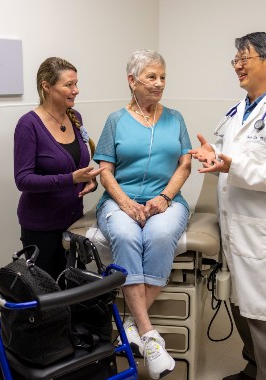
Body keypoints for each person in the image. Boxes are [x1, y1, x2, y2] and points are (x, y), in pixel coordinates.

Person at [190, 32, 266, 380]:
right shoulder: (241, 108)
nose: (238, 66)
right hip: (234, 226)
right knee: (239, 304)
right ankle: (253, 368)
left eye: (245, 58)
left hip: (262, 231)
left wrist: (233, 167)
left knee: (264, 313)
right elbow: (232, 150)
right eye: (236, 60)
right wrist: (212, 153)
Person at [93, 49, 192, 380]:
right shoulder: (116, 121)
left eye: (163, 77)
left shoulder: (175, 118)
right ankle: (151, 338)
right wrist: (124, 202)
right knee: (125, 234)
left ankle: (132, 326)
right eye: (152, 77)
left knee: (160, 234)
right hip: (122, 199)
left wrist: (165, 197)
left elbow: (185, 163)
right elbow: (105, 170)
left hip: (166, 200)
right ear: (132, 81)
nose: (159, 83)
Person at [13, 57, 103, 280]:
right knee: (50, 299)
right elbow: (23, 180)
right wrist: (70, 179)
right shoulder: (29, 125)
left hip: (74, 224)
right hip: (41, 227)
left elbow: (77, 168)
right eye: (68, 85)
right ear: (46, 86)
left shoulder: (75, 118)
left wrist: (89, 181)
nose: (76, 90)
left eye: (76, 84)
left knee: (74, 295)